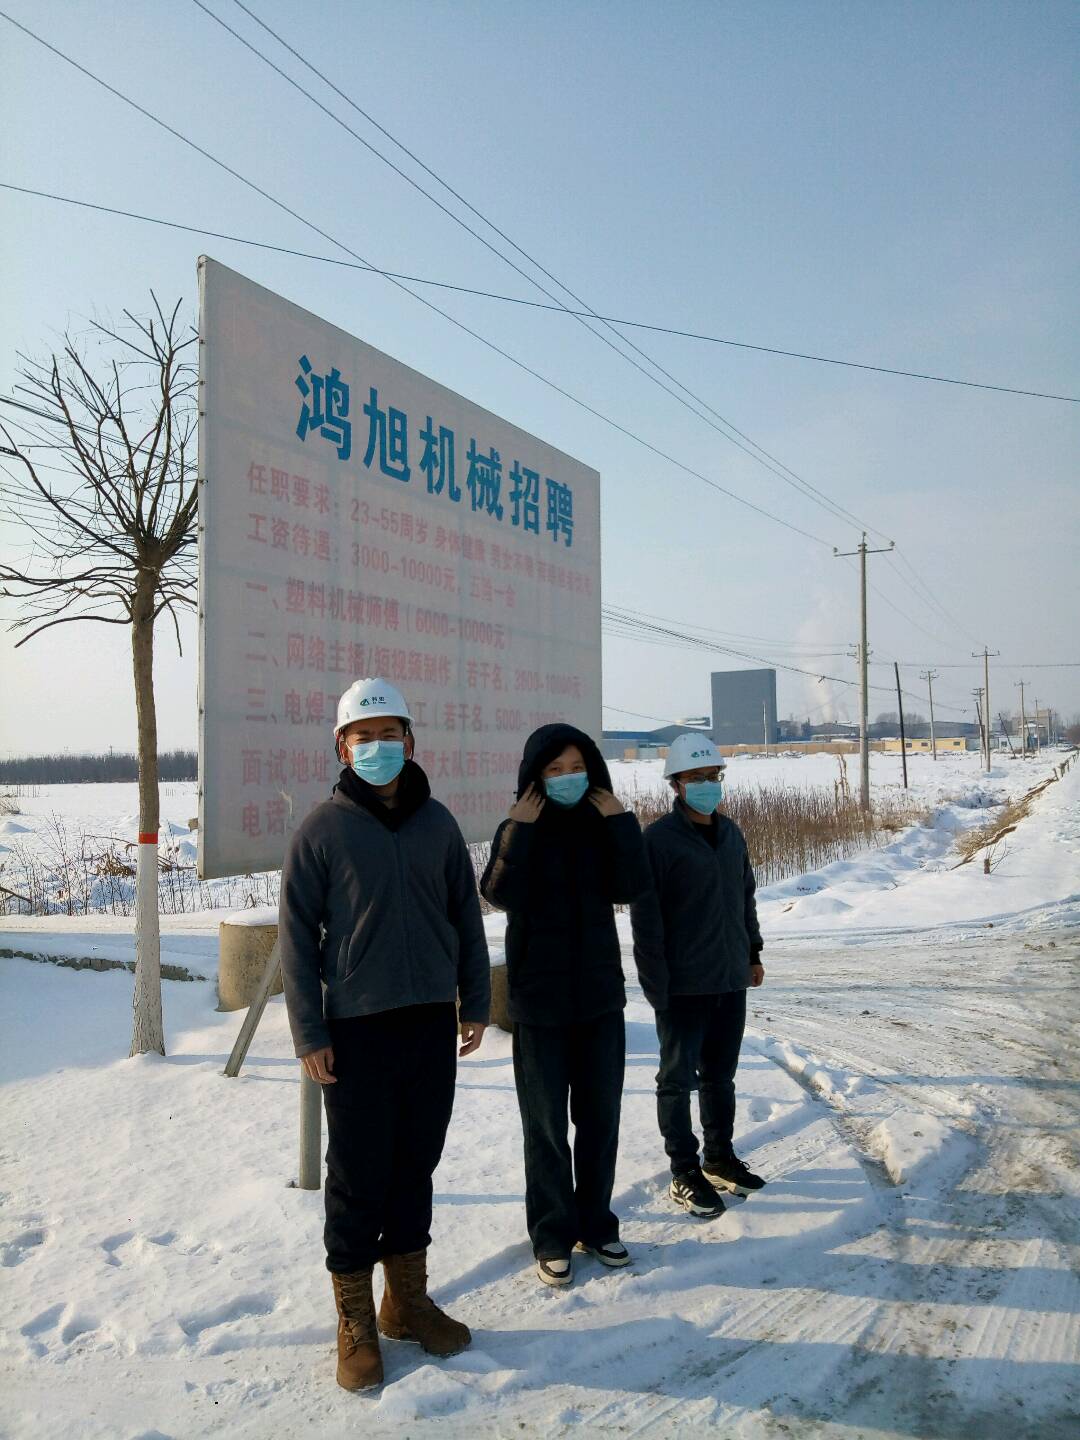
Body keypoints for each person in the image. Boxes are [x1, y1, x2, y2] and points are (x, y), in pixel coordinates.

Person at [278, 677, 490, 1392]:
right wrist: (309, 1032)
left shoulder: (438, 826)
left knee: (415, 1165)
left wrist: (475, 1002)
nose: (377, 747)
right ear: (342, 748)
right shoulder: (322, 830)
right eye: (363, 737)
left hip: (429, 1022)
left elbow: (465, 918)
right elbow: (296, 939)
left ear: (410, 741)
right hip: (356, 1030)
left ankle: (406, 1301)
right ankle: (355, 1319)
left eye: (389, 735)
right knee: (358, 1175)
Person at [480, 723, 652, 1287]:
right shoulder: (520, 828)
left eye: (576, 768)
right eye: (554, 770)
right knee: (547, 1128)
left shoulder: (603, 825)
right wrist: (518, 831)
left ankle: (597, 1223)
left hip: (600, 999)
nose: (566, 778)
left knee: (601, 1121)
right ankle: (552, 1234)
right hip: (539, 1004)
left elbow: (632, 886)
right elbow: (497, 893)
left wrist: (621, 821)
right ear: (535, 778)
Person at [630, 732, 765, 1220]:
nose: (707, 785)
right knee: (675, 1080)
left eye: (713, 776)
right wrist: (656, 984)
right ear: (676, 784)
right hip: (682, 986)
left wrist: (753, 952)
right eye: (696, 777)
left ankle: (719, 1158)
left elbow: (744, 897)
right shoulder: (658, 841)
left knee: (720, 1077)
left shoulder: (731, 834)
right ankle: (684, 1171)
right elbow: (646, 920)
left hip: (730, 977)